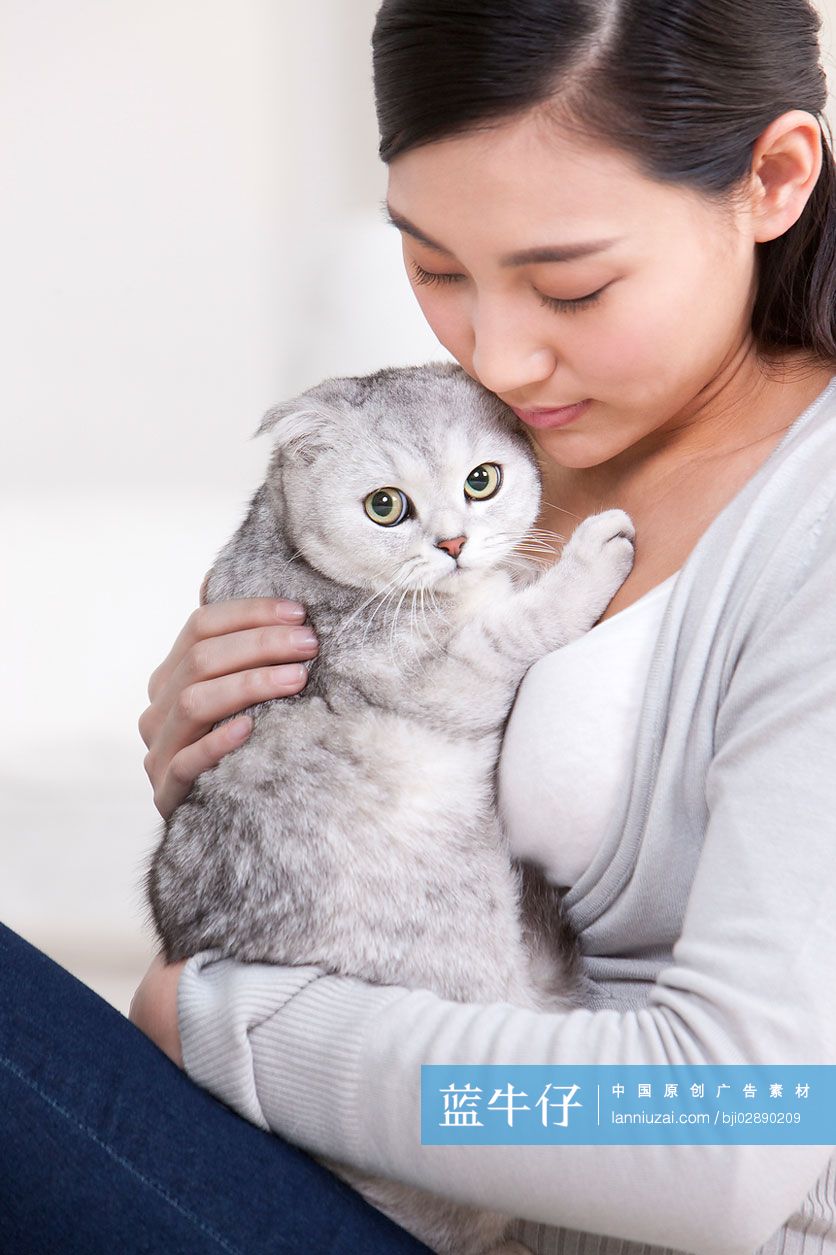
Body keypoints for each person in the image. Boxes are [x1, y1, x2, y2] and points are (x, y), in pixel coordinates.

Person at [3, 0, 834, 1251]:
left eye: (570, 284)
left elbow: (725, 1137)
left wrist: (232, 1026)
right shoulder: (493, 454)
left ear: (771, 178)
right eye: (435, 266)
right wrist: (264, 765)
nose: (494, 357)